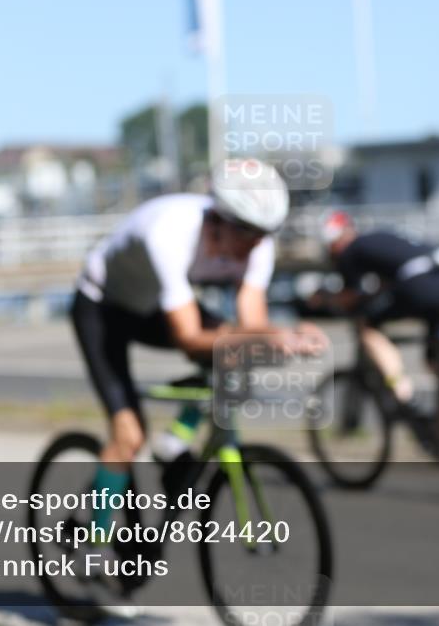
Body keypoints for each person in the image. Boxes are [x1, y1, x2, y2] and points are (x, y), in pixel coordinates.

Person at [70, 159, 324, 576]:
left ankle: (175, 441)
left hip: (151, 305)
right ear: (218, 221)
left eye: (263, 236)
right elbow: (188, 337)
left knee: (234, 353)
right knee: (129, 434)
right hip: (101, 308)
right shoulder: (169, 232)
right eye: (247, 235)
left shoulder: (255, 244)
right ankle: (94, 548)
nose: (255, 247)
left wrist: (288, 337)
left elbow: (252, 326)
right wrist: (269, 337)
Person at [314, 210, 439, 407]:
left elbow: (351, 297)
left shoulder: (351, 251)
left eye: (331, 244)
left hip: (421, 282)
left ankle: (402, 391)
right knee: (436, 361)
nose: (332, 250)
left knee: (367, 327)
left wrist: (324, 299)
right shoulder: (379, 238)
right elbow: (386, 283)